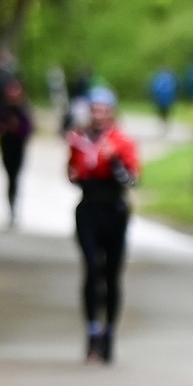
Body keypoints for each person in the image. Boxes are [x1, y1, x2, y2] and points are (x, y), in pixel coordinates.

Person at [66, 86, 141, 363]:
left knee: (112, 274)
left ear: (111, 112)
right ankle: (92, 332)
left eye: (103, 110)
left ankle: (110, 334)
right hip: (88, 208)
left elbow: (133, 179)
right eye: (93, 110)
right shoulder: (78, 139)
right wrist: (76, 174)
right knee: (91, 268)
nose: (98, 115)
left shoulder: (122, 141)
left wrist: (114, 161)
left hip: (114, 209)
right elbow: (72, 172)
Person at [0, 49, 35, 228]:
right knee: (9, 176)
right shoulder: (2, 109)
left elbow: (28, 129)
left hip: (18, 146)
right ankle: (11, 207)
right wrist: (4, 128)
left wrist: (17, 128)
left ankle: (14, 208)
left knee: (15, 177)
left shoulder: (24, 110)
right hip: (6, 146)